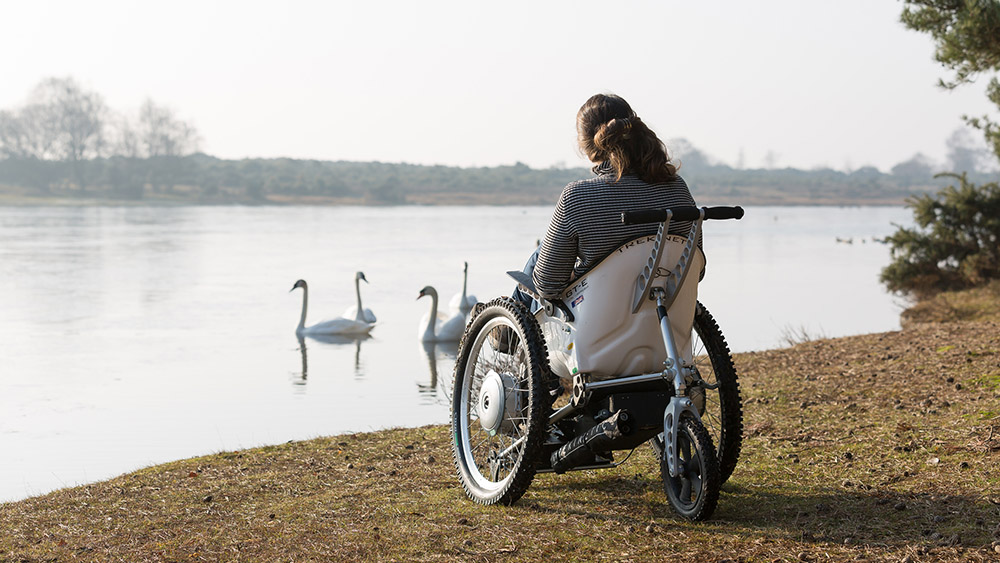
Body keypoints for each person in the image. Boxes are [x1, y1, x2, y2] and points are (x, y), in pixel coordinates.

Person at [513, 93, 698, 304]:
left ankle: (506, 328)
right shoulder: (678, 187)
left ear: (586, 145)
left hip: (597, 322)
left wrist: (577, 274)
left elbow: (547, 287)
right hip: (667, 319)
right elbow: (696, 269)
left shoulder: (577, 197)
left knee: (542, 254)